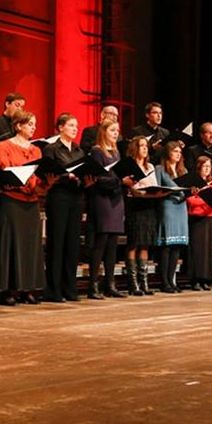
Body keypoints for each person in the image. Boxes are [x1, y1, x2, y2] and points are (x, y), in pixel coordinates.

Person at [0, 110, 49, 305]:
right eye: (29, 124)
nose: (33, 127)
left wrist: (40, 184)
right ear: (18, 125)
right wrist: (26, 184)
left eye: (34, 124)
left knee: (30, 245)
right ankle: (8, 290)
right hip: (11, 199)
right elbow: (5, 168)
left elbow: (37, 174)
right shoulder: (4, 145)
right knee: (11, 243)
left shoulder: (36, 150)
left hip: (31, 201)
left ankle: (28, 288)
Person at [41, 113, 86, 302]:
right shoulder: (51, 149)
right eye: (71, 125)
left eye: (76, 126)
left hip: (76, 198)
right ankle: (54, 289)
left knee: (72, 245)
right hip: (59, 198)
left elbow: (84, 173)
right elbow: (47, 173)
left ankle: (70, 288)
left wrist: (85, 180)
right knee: (57, 243)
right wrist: (65, 177)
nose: (75, 129)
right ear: (60, 127)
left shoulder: (79, 150)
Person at [86, 119, 127, 298]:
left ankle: (109, 284)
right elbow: (98, 179)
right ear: (103, 132)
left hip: (116, 200)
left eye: (117, 130)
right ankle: (93, 285)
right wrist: (120, 181)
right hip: (102, 199)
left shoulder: (117, 152)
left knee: (112, 244)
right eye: (112, 130)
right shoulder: (97, 151)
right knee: (100, 243)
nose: (115, 133)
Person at [123, 135, 159, 296]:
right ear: (134, 148)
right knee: (134, 243)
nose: (145, 148)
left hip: (149, 205)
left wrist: (156, 193)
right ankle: (133, 283)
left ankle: (144, 282)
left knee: (145, 243)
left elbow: (154, 186)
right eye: (141, 145)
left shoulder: (150, 166)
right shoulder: (129, 165)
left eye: (146, 145)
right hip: (135, 205)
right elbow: (131, 189)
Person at [155, 141, 189, 293]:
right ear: (168, 152)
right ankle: (164, 282)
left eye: (179, 152)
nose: (178, 154)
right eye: (175, 151)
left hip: (181, 207)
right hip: (168, 205)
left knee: (177, 246)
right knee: (167, 245)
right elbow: (156, 188)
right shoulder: (160, 169)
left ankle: (172, 280)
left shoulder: (183, 171)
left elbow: (188, 188)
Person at [186, 156, 212, 290]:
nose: (207, 169)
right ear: (199, 167)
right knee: (197, 250)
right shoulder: (193, 182)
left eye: (209, 166)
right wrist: (205, 200)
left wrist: (201, 199)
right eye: (204, 166)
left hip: (209, 218)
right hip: (196, 218)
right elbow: (190, 201)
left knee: (208, 250)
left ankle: (205, 279)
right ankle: (195, 279)